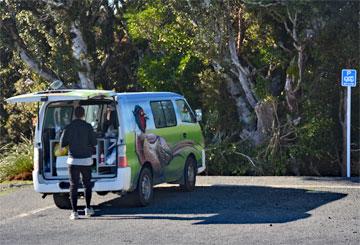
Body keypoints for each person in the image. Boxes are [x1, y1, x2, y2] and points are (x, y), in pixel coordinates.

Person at [60, 106, 97, 220]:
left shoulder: (69, 127)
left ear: (74, 114)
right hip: (86, 160)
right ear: (83, 114)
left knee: (73, 185)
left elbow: (62, 144)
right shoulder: (88, 126)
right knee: (87, 184)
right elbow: (94, 142)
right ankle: (88, 208)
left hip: (73, 160)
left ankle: (74, 212)